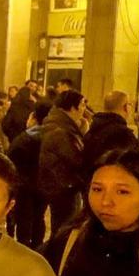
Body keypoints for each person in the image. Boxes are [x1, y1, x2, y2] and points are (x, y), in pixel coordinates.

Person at [36, 89, 92, 239]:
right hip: (63, 187)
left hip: (61, 185)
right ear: (72, 108)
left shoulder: (60, 124)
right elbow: (76, 159)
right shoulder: (60, 130)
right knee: (63, 230)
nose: (83, 109)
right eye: (81, 105)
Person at [83, 90, 137, 166]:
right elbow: (132, 166)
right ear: (126, 107)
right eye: (130, 104)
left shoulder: (93, 129)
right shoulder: (124, 135)